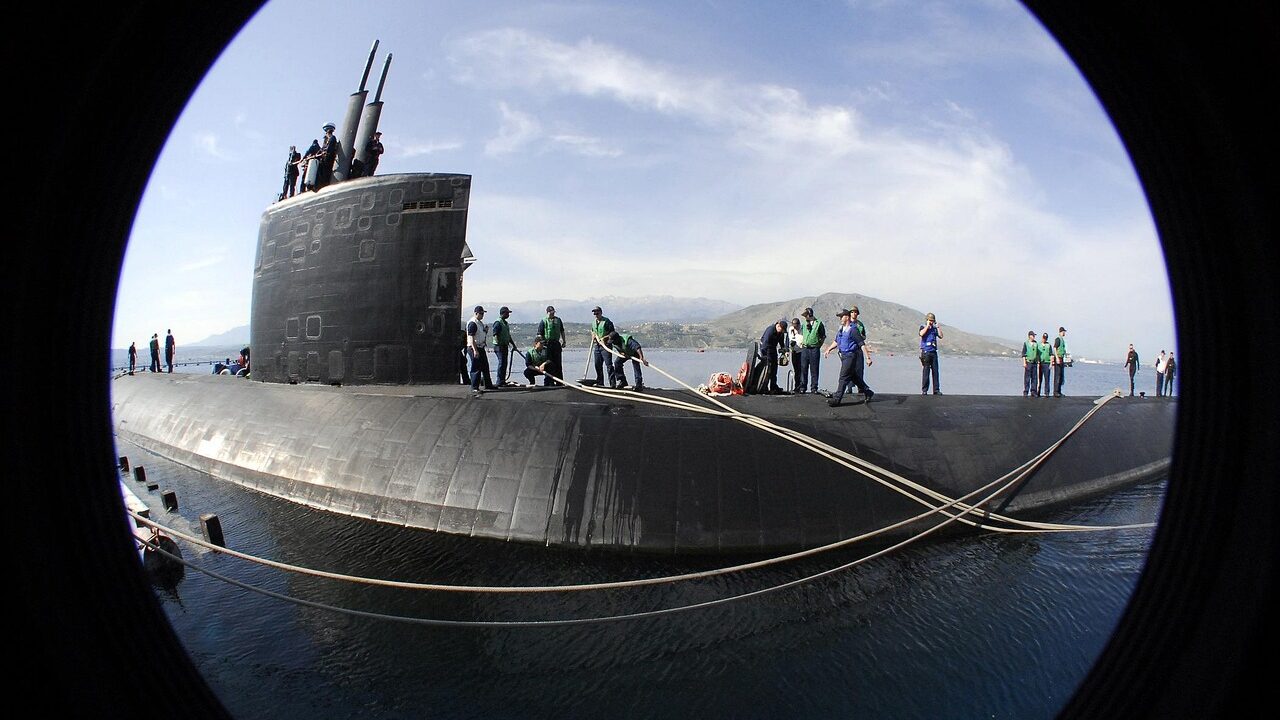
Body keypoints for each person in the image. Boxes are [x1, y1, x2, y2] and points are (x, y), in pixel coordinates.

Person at [824, 308, 874, 406]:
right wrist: (828, 349)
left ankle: (837, 399)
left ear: (846, 317)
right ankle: (868, 392)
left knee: (843, 377)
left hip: (851, 356)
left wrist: (868, 358)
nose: (840, 319)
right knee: (853, 377)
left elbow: (862, 344)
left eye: (841, 317)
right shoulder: (841, 329)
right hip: (843, 356)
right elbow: (836, 341)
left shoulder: (853, 329)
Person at [465, 306, 496, 394]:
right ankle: (475, 387)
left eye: (483, 313)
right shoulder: (472, 323)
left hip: (480, 347)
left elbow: (479, 334)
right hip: (474, 347)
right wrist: (475, 351)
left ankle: (488, 384)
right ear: (476, 313)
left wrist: (485, 331)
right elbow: (471, 338)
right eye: (481, 313)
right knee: (476, 367)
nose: (482, 315)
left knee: (485, 366)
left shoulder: (479, 323)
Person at [796, 308, 825, 394]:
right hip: (805, 348)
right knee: (803, 368)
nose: (805, 317)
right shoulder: (804, 324)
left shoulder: (818, 323)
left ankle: (814, 387)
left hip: (814, 348)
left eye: (806, 315)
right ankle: (803, 387)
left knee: (814, 369)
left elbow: (823, 336)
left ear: (810, 315)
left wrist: (818, 345)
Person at [537, 305, 566, 386]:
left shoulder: (558, 320)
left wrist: (564, 341)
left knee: (558, 363)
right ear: (547, 312)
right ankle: (549, 382)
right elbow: (539, 334)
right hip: (547, 344)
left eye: (553, 312)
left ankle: (559, 382)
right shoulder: (543, 321)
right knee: (549, 363)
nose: (552, 314)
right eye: (550, 313)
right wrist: (542, 344)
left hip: (556, 343)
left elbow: (562, 331)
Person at [589, 306, 617, 389]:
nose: (596, 315)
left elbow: (613, 333)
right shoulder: (594, 322)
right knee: (597, 365)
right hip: (597, 346)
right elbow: (593, 331)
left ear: (601, 312)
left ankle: (612, 383)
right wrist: (593, 336)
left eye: (597, 313)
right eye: (594, 313)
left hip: (606, 346)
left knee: (609, 365)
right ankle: (600, 382)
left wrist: (605, 338)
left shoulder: (607, 321)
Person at [759, 319, 787, 394]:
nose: (782, 332)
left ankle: (773, 386)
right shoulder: (770, 330)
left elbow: (781, 342)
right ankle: (764, 387)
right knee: (768, 368)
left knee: (774, 368)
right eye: (782, 329)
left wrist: (783, 349)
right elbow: (765, 343)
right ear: (778, 326)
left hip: (773, 348)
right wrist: (765, 357)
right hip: (766, 348)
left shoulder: (781, 333)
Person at [491, 306, 516, 387]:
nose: (508, 314)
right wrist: (499, 343)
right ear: (504, 313)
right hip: (499, 346)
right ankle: (499, 381)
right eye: (507, 313)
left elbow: (508, 335)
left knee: (504, 363)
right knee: (501, 363)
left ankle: (502, 380)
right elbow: (495, 334)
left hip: (505, 345)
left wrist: (513, 344)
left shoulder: (505, 323)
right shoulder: (498, 322)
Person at [919, 312, 943, 395]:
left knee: (935, 371)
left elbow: (941, 336)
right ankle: (924, 390)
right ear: (927, 320)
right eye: (930, 320)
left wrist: (938, 327)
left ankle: (936, 390)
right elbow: (921, 334)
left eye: (932, 321)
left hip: (933, 352)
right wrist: (927, 326)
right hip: (926, 352)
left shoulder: (934, 329)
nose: (931, 322)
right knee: (926, 371)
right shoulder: (923, 327)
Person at [315, 123, 339, 189]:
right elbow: (322, 148)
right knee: (321, 169)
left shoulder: (332, 138)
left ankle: (324, 182)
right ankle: (320, 183)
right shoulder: (326, 141)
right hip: (324, 158)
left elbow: (330, 149)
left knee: (326, 171)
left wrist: (325, 153)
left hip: (329, 158)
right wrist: (317, 154)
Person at [1052, 327, 1068, 396]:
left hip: (1062, 358)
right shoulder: (1058, 339)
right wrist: (1057, 358)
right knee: (1057, 375)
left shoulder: (1062, 340)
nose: (1064, 333)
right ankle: (1055, 391)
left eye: (1064, 332)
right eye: (1063, 332)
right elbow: (1055, 348)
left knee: (1061, 375)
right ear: (1060, 332)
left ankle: (1059, 391)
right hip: (1058, 358)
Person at [1022, 331, 1039, 396]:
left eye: (1034, 335)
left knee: (1034, 378)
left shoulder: (1036, 343)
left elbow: (1037, 353)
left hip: (1034, 363)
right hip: (1028, 362)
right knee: (1027, 378)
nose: (1034, 337)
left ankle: (1033, 391)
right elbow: (1024, 353)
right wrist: (1024, 362)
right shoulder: (1026, 343)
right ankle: (1026, 391)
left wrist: (1038, 361)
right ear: (1029, 336)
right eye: (1033, 335)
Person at [1039, 332, 1054, 397]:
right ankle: (1038, 392)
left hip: (1047, 363)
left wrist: (1051, 363)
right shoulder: (1038, 345)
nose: (1044, 339)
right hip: (1040, 363)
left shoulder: (1049, 345)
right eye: (1044, 338)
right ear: (1042, 338)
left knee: (1047, 379)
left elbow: (1051, 355)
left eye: (1046, 338)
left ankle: (1046, 393)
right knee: (1039, 379)